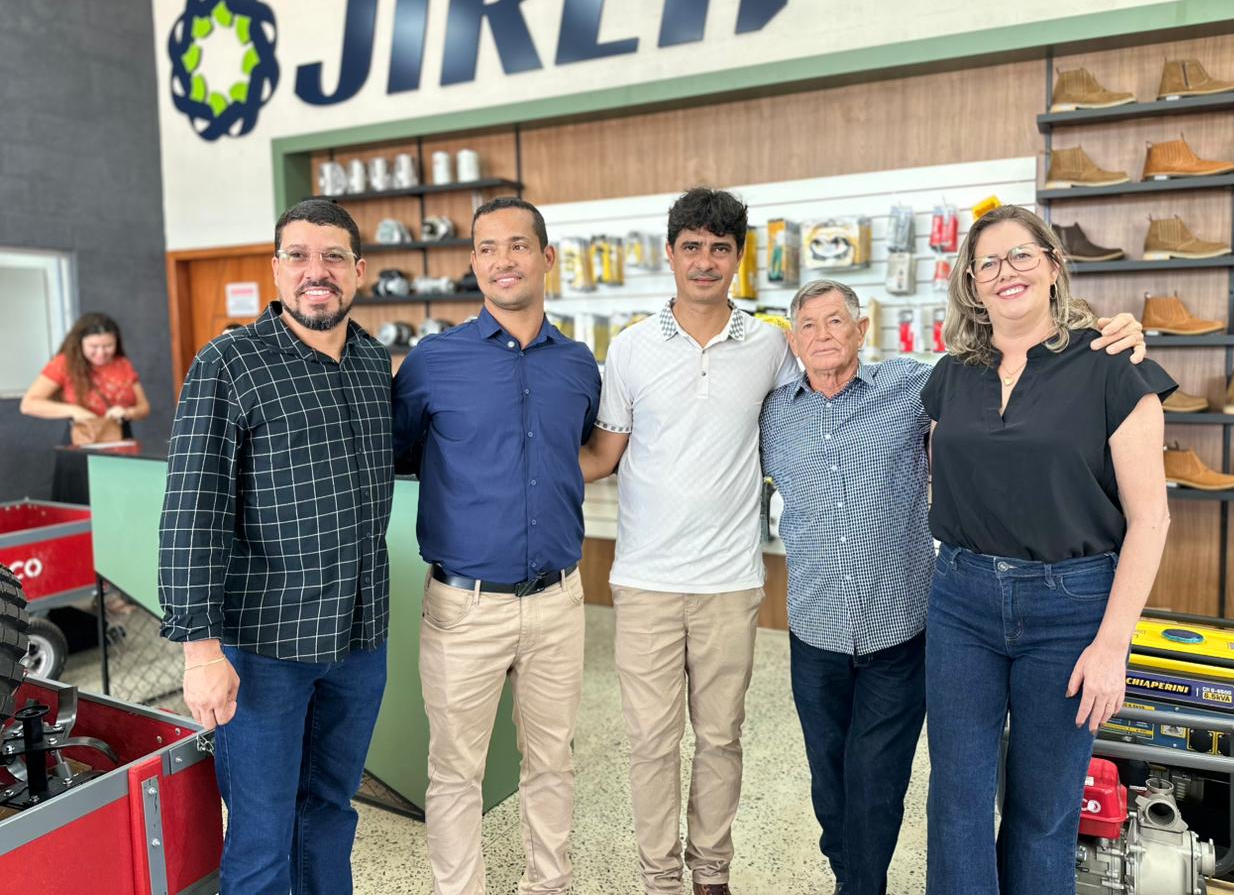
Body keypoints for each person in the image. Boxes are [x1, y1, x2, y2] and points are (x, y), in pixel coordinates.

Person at [760, 279, 1146, 895]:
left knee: (875, 777)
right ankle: (850, 869)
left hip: (900, 627)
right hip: (814, 627)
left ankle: (860, 885)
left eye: (837, 322)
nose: (823, 335)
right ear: (792, 340)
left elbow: (1005, 368)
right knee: (828, 782)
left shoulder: (914, 386)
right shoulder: (773, 414)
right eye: (808, 325)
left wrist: (1109, 332)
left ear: (862, 331)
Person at [921, 206, 1173, 895]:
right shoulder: (952, 375)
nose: (1007, 273)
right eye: (990, 263)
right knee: (956, 803)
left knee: (1044, 810)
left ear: (1055, 266)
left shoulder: (1112, 368)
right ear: (972, 283)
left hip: (1071, 608)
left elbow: (1150, 520)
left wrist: (1112, 646)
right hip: (962, 602)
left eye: (1022, 256)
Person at [158, 198, 393, 895]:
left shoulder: (373, 364)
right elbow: (190, 512)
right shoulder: (229, 365)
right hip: (263, 648)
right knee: (262, 831)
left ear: (358, 271)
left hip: (358, 639)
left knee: (328, 812)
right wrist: (200, 653)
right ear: (277, 268)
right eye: (298, 256)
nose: (314, 272)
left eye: (331, 258)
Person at [580, 188, 800, 895]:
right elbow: (603, 455)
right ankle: (658, 879)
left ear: (738, 257)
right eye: (692, 246)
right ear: (671, 252)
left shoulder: (769, 344)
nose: (705, 261)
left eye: (720, 248)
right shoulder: (633, 347)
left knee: (721, 738)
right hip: (643, 580)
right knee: (649, 744)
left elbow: (812, 418)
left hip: (731, 582)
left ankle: (711, 874)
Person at [392, 196, 601, 895]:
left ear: (546, 258)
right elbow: (401, 455)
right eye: (486, 248)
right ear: (473, 262)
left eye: (518, 245)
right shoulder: (431, 364)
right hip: (464, 606)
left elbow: (583, 455)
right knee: (456, 772)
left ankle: (550, 885)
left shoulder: (578, 364)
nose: (502, 260)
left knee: (552, 761)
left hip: (558, 602)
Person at [21, 311, 150, 444]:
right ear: (80, 343)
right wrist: (74, 410)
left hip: (120, 435)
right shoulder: (64, 363)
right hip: (82, 435)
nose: (101, 353)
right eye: (93, 346)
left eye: (108, 346)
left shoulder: (122, 364)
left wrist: (127, 412)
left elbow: (144, 407)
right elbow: (28, 404)